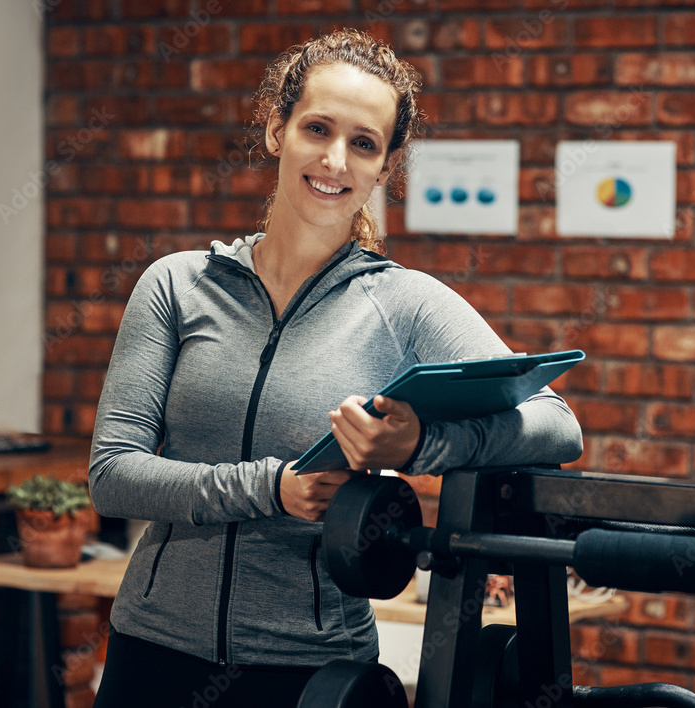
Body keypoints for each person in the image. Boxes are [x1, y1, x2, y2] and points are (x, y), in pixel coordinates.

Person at [88, 28, 583, 707]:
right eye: (316, 128)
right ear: (275, 130)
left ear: (385, 166)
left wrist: (422, 445)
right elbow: (113, 475)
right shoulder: (176, 285)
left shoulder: (403, 303)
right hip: (151, 656)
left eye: (363, 143)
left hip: (311, 672)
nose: (333, 159)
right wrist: (274, 489)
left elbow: (557, 424)